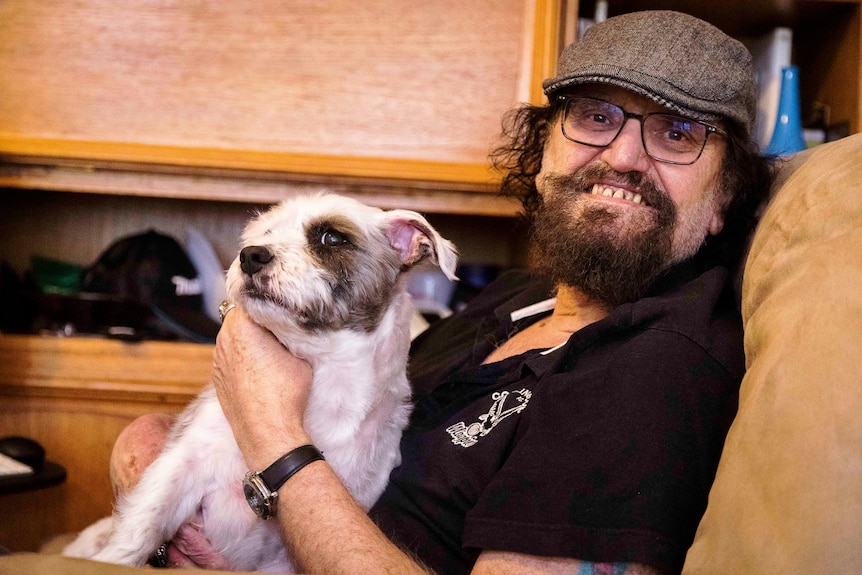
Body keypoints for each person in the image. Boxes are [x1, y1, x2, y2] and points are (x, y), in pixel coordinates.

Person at [110, 10, 773, 575]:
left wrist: (271, 436)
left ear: (726, 196)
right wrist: (161, 473)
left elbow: (279, 434)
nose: (624, 158)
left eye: (678, 132)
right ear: (543, 156)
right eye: (596, 116)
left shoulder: (651, 365)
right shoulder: (520, 298)